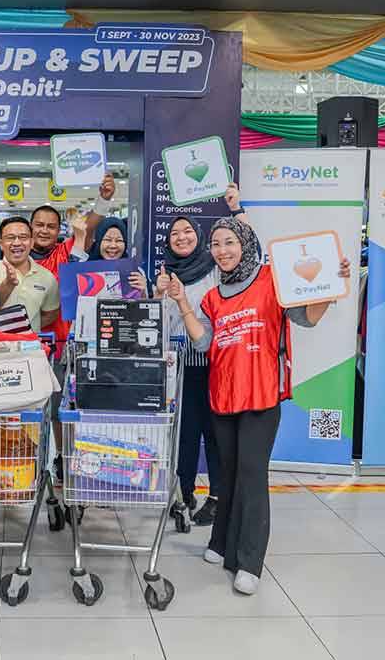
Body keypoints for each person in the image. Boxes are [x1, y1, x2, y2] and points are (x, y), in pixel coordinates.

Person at [166, 215, 350, 595]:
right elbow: (203, 342)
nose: (222, 251)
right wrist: (183, 302)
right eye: (216, 244)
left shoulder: (273, 281)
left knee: (251, 474)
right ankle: (221, 542)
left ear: (245, 244)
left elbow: (307, 319)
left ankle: (249, 561)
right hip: (224, 396)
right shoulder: (213, 297)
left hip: (262, 396)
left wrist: (329, 286)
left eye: (229, 242)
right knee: (228, 472)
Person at [0, 174, 116, 480]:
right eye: (39, 225)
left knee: (52, 410)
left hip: (50, 348)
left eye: (51, 226)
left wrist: (103, 199)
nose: (44, 230)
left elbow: (88, 228)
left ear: (57, 232)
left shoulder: (61, 257)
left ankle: (52, 462)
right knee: (3, 414)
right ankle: (1, 468)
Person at [154, 184, 245, 526]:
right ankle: (185, 493)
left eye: (188, 231)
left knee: (215, 432)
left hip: (214, 362)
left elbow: (248, 249)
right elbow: (158, 322)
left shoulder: (216, 268)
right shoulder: (165, 274)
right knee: (184, 433)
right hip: (178, 366)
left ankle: (218, 497)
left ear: (199, 235)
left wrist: (236, 209)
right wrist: (157, 294)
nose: (181, 237)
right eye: (175, 233)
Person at [0, 216, 61, 333]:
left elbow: (51, 314)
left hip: (31, 343)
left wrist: (29, 328)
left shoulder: (47, 277)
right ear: (1, 244)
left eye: (23, 237)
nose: (17, 243)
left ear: (31, 242)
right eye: (10, 238)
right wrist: (7, 284)